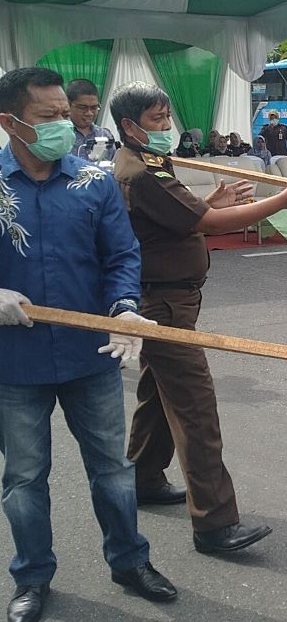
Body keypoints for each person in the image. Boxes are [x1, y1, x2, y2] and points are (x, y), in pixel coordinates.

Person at [0, 68, 177, 622]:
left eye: (65, 114)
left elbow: (122, 256)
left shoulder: (93, 182)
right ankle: (32, 577)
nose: (62, 125)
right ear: (10, 122)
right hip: (14, 363)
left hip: (91, 356)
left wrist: (125, 309)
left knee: (112, 470)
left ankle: (129, 560)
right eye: (47, 117)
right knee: (25, 478)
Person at [110, 81, 287, 553]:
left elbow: (187, 215)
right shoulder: (141, 171)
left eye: (167, 118)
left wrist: (214, 203)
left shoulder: (151, 161)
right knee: (195, 409)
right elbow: (205, 223)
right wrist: (281, 200)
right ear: (129, 126)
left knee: (157, 395)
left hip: (167, 297)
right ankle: (215, 523)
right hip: (161, 304)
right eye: (157, 120)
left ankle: (141, 477)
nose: (166, 127)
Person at [66, 78, 118, 163]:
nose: (89, 113)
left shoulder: (104, 135)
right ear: (68, 104)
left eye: (94, 108)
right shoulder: (61, 134)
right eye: (83, 108)